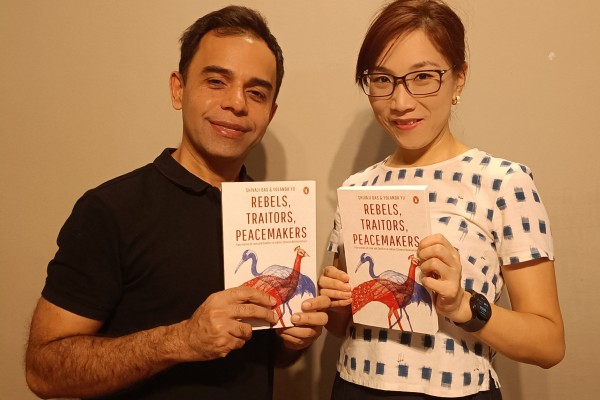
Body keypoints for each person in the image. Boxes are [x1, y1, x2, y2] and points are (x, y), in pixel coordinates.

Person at [25, 6, 329, 399]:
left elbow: (259, 356)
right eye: (217, 81)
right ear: (178, 88)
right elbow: (44, 370)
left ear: (269, 113)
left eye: (256, 92)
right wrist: (182, 340)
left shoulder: (274, 217)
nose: (237, 103)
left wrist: (291, 342)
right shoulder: (111, 210)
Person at [319, 1, 565, 399]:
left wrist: (463, 304)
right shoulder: (358, 186)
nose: (400, 102)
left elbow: (549, 344)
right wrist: (334, 300)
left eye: (423, 77)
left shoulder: (503, 182)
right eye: (382, 79)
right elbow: (342, 323)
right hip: (353, 387)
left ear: (459, 78)